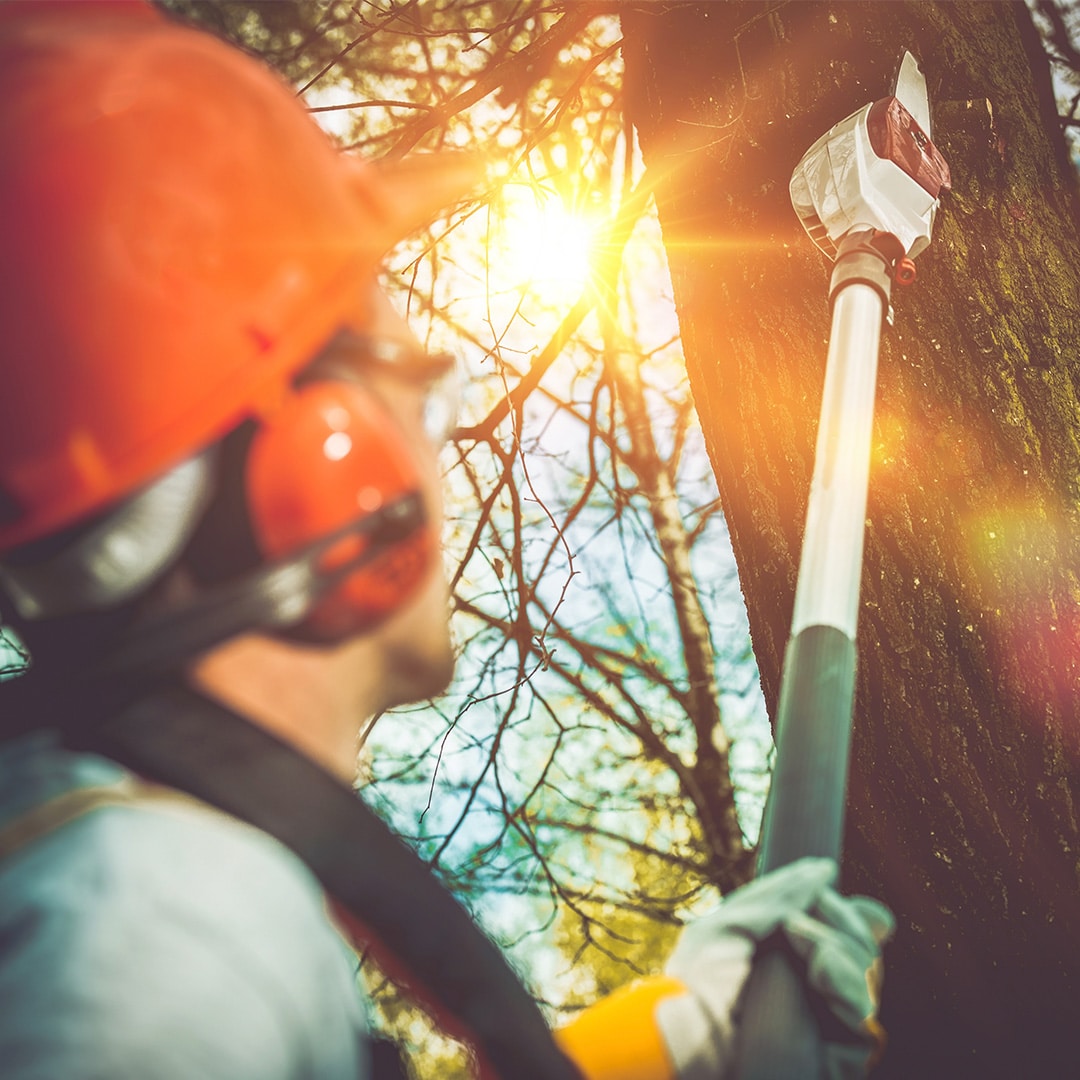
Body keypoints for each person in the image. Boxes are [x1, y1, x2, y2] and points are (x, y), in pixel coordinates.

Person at [0, 3, 893, 1079]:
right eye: (427, 389)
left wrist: (668, 1039)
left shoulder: (106, 871)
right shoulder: (167, 939)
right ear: (327, 471)